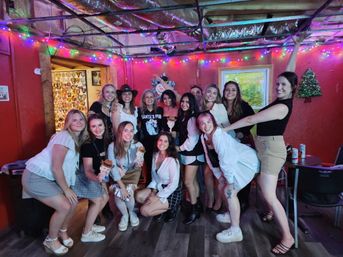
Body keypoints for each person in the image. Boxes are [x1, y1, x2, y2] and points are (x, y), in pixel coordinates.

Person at [223, 38, 302, 254]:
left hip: (272, 150)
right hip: (265, 147)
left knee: (269, 194)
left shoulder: (282, 107)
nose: (279, 86)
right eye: (277, 83)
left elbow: (251, 120)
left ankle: (287, 237)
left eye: (283, 85)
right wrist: (296, 47)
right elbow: (290, 72)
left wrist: (224, 129)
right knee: (262, 185)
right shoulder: (282, 98)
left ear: (292, 88)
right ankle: (269, 212)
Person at [22, 109, 88, 255]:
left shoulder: (75, 139)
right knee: (65, 206)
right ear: (67, 123)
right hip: (35, 176)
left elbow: (68, 167)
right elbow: (56, 167)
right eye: (74, 120)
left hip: (48, 177)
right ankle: (51, 240)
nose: (78, 122)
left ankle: (62, 232)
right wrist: (66, 189)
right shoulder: (64, 137)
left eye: (81, 119)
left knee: (73, 202)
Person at [197, 111, 259, 243]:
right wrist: (219, 176)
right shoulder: (203, 137)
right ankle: (231, 215)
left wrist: (229, 181)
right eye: (202, 123)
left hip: (246, 162)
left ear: (213, 121)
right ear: (199, 126)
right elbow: (209, 158)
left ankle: (236, 230)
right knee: (221, 186)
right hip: (233, 163)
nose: (206, 125)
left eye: (208, 122)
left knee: (229, 191)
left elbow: (227, 160)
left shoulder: (218, 135)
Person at [72, 114, 110, 242]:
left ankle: (90, 224)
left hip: (97, 174)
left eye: (100, 125)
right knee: (98, 199)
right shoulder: (88, 144)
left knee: (105, 197)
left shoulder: (105, 140)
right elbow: (87, 170)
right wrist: (98, 179)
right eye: (93, 126)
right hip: (85, 176)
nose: (98, 129)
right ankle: (86, 234)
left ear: (104, 125)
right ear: (89, 128)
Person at [222, 81, 255, 212]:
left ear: (237, 92)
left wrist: (242, 132)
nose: (230, 92)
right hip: (227, 144)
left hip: (242, 141)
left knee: (242, 171)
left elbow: (252, 119)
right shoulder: (220, 106)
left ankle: (243, 201)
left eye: (233, 90)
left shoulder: (243, 105)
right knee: (230, 172)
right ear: (224, 92)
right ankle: (231, 201)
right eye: (227, 90)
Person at [136, 132, 182, 223]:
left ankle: (172, 208)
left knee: (144, 211)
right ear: (157, 141)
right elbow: (154, 176)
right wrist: (153, 191)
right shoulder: (155, 155)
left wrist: (157, 196)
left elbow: (174, 184)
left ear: (169, 144)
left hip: (171, 191)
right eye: (160, 140)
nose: (162, 143)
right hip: (158, 186)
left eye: (166, 141)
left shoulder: (172, 160)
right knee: (138, 196)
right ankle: (157, 208)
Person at [202, 84, 235, 212]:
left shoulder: (219, 107)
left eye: (214, 93)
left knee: (219, 175)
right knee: (207, 173)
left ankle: (219, 200)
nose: (211, 95)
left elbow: (225, 126)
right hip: (207, 144)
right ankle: (210, 199)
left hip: (221, 143)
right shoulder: (201, 107)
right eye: (209, 92)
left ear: (217, 96)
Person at [108, 121, 145, 231]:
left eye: (131, 130)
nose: (129, 133)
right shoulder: (112, 146)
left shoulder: (139, 145)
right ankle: (125, 215)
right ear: (120, 132)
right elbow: (111, 165)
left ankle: (131, 212)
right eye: (125, 130)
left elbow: (139, 160)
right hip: (117, 174)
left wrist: (139, 161)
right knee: (118, 195)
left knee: (129, 193)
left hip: (133, 173)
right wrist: (121, 186)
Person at [175, 93, 204, 224]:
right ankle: (197, 206)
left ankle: (193, 209)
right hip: (190, 154)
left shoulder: (192, 118)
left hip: (193, 153)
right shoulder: (184, 116)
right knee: (193, 181)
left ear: (192, 103)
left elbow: (192, 139)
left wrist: (179, 148)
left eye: (187, 102)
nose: (184, 104)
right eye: (183, 101)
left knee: (187, 182)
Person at [138, 89, 164, 183]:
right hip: (146, 142)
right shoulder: (140, 111)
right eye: (147, 97)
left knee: (159, 164)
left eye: (151, 97)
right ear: (144, 99)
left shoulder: (160, 110)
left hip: (159, 142)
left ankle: (159, 184)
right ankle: (149, 184)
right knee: (148, 164)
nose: (149, 99)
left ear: (154, 98)